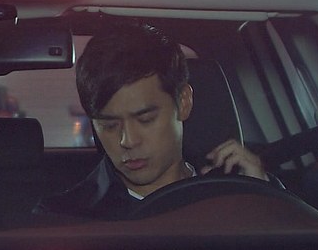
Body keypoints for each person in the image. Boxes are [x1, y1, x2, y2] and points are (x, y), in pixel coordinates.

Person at [34, 25, 271, 219]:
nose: (128, 141)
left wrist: (265, 201)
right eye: (109, 125)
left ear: (183, 102)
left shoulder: (238, 194)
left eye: (145, 119)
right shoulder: (66, 218)